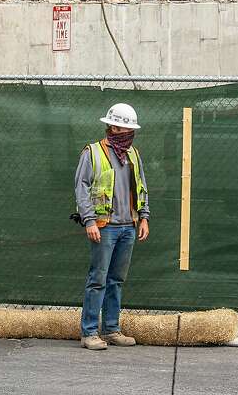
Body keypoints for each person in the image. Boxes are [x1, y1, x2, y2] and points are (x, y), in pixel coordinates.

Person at [74, 102, 150, 350]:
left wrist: (144, 217)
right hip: (104, 226)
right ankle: (89, 333)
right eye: (123, 128)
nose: (127, 133)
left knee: (116, 279)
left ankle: (110, 329)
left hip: (128, 225)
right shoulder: (92, 152)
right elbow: (81, 187)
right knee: (98, 279)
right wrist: (89, 220)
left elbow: (141, 186)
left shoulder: (133, 154)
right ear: (113, 127)